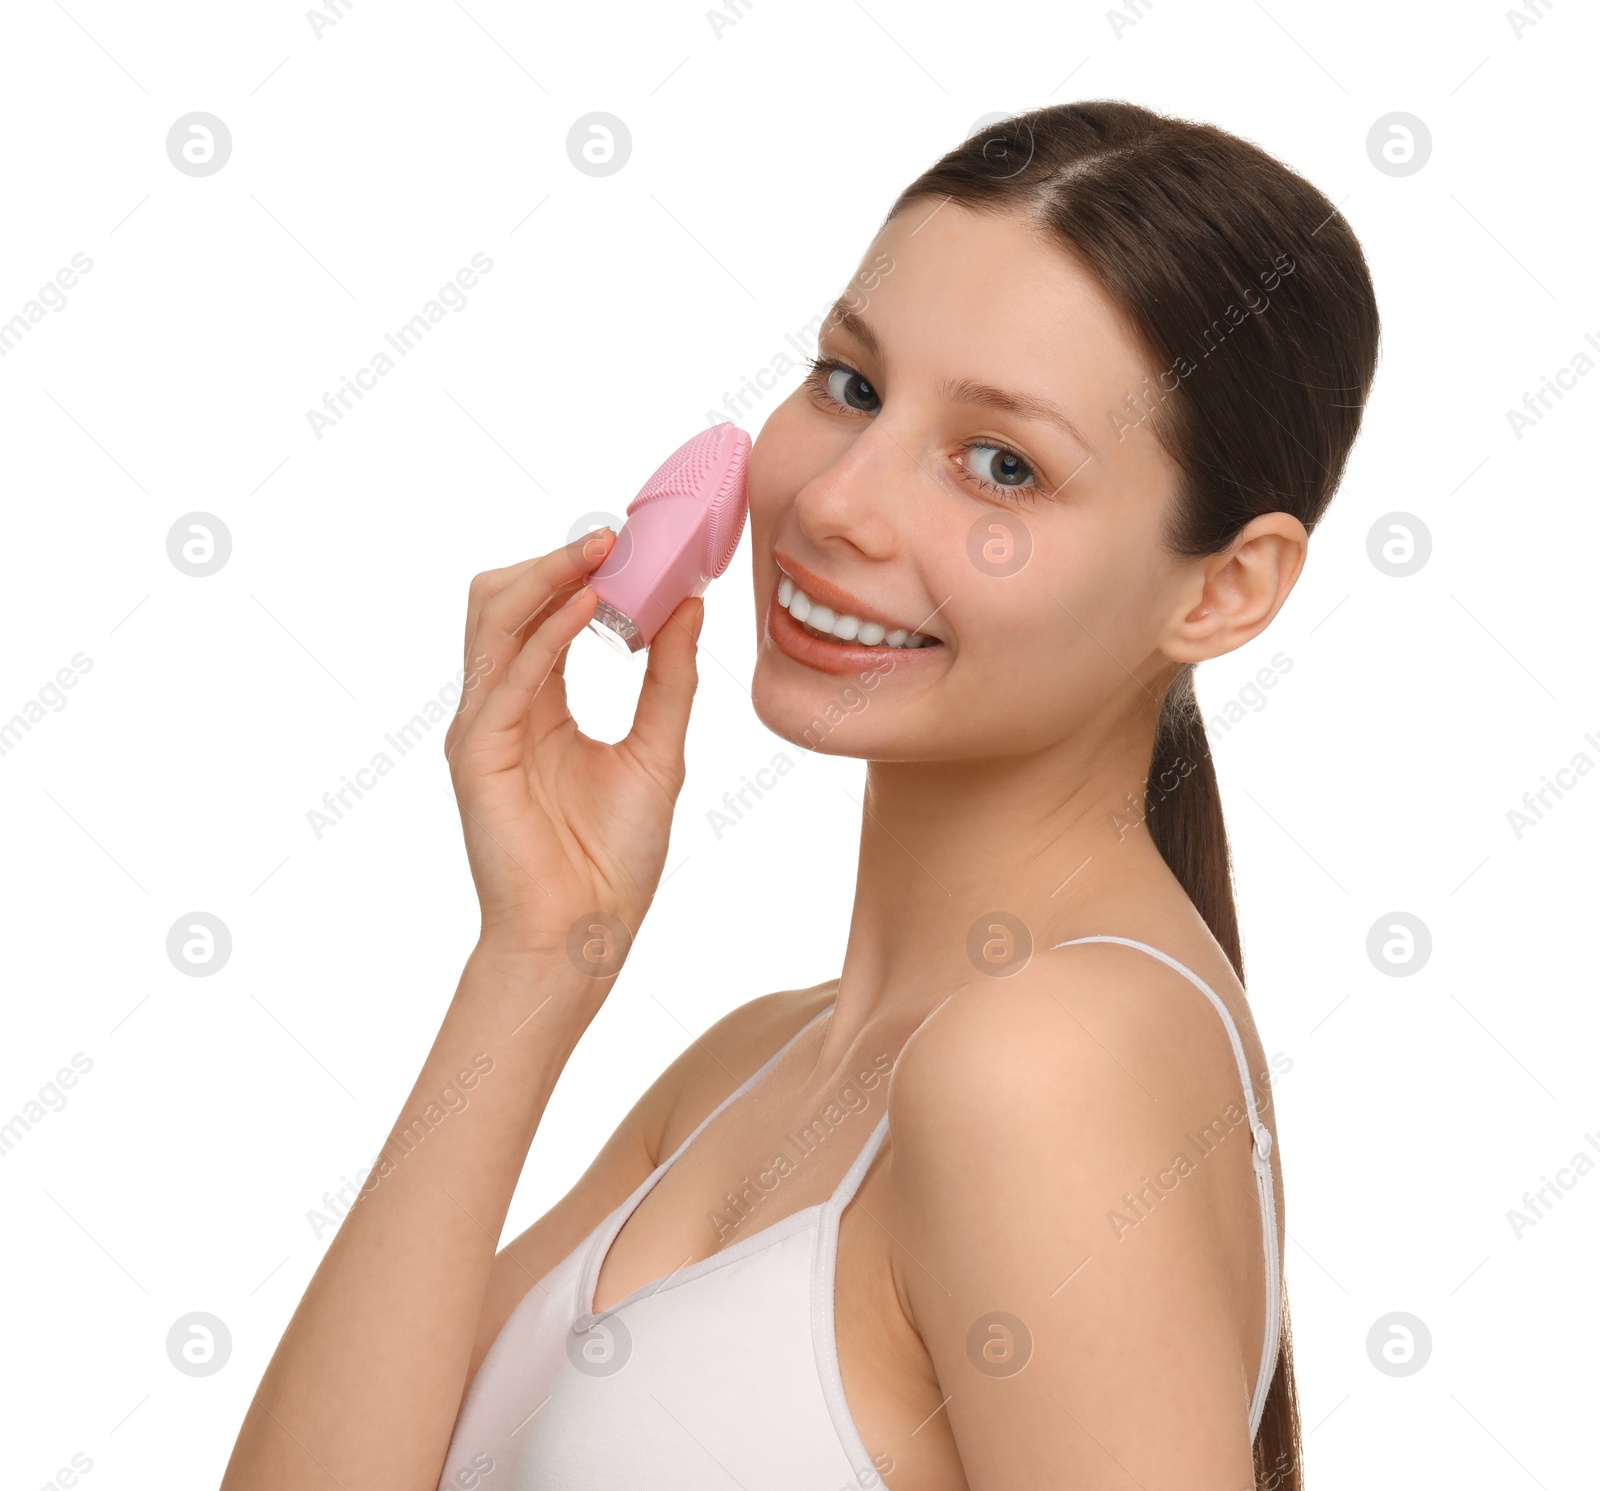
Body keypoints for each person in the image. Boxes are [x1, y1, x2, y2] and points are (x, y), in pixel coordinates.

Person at [222, 99, 1379, 1491]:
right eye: (851, 385)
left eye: (1001, 464)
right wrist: (539, 952)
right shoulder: (754, 1062)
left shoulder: (1047, 1066)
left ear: (1224, 587)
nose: (836, 502)